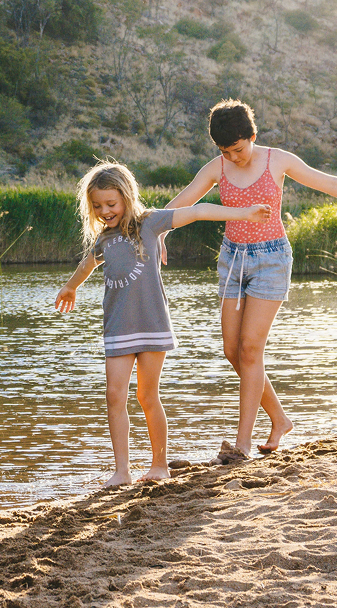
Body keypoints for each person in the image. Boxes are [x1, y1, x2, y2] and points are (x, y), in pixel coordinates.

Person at [167, 98, 337, 463]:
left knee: (251, 349)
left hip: (271, 260)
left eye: (237, 148)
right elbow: (182, 203)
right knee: (233, 351)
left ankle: (242, 444)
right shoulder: (216, 167)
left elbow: (328, 183)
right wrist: (148, 231)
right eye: (224, 151)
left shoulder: (276, 160)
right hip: (232, 261)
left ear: (252, 135)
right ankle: (280, 420)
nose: (233, 157)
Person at [54, 161, 270, 488]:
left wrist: (243, 212)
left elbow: (196, 212)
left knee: (146, 396)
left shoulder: (150, 223)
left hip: (152, 324)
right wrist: (70, 287)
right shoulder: (105, 239)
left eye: (111, 204)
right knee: (114, 395)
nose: (105, 211)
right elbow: (87, 264)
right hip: (117, 328)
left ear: (127, 196)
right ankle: (122, 470)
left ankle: (159, 465)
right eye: (97, 206)